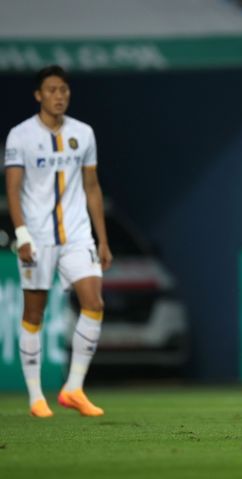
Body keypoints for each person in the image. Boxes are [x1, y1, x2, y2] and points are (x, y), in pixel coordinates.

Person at [4, 65, 112, 418]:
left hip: (78, 235)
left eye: (64, 89)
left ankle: (74, 388)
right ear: (39, 95)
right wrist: (20, 233)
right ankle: (36, 396)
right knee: (34, 311)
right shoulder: (20, 136)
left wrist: (102, 238)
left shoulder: (84, 133)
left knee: (94, 302)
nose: (59, 95)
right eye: (51, 90)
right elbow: (13, 189)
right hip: (37, 238)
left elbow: (92, 188)